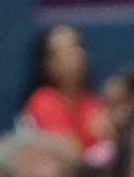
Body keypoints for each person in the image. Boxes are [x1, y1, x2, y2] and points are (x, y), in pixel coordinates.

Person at [18, 21, 107, 159]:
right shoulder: (42, 100)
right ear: (46, 63)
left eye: (77, 47)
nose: (73, 56)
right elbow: (68, 152)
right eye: (61, 52)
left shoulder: (91, 100)